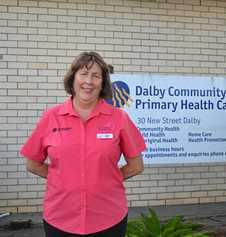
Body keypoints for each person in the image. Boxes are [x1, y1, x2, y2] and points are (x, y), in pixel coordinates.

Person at [20, 52, 146, 237]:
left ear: (102, 83)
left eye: (96, 76)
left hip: (108, 218)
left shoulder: (119, 118)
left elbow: (136, 166)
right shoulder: (51, 117)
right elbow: (33, 164)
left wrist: (107, 179)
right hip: (60, 217)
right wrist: (63, 179)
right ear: (73, 79)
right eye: (83, 74)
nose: (89, 81)